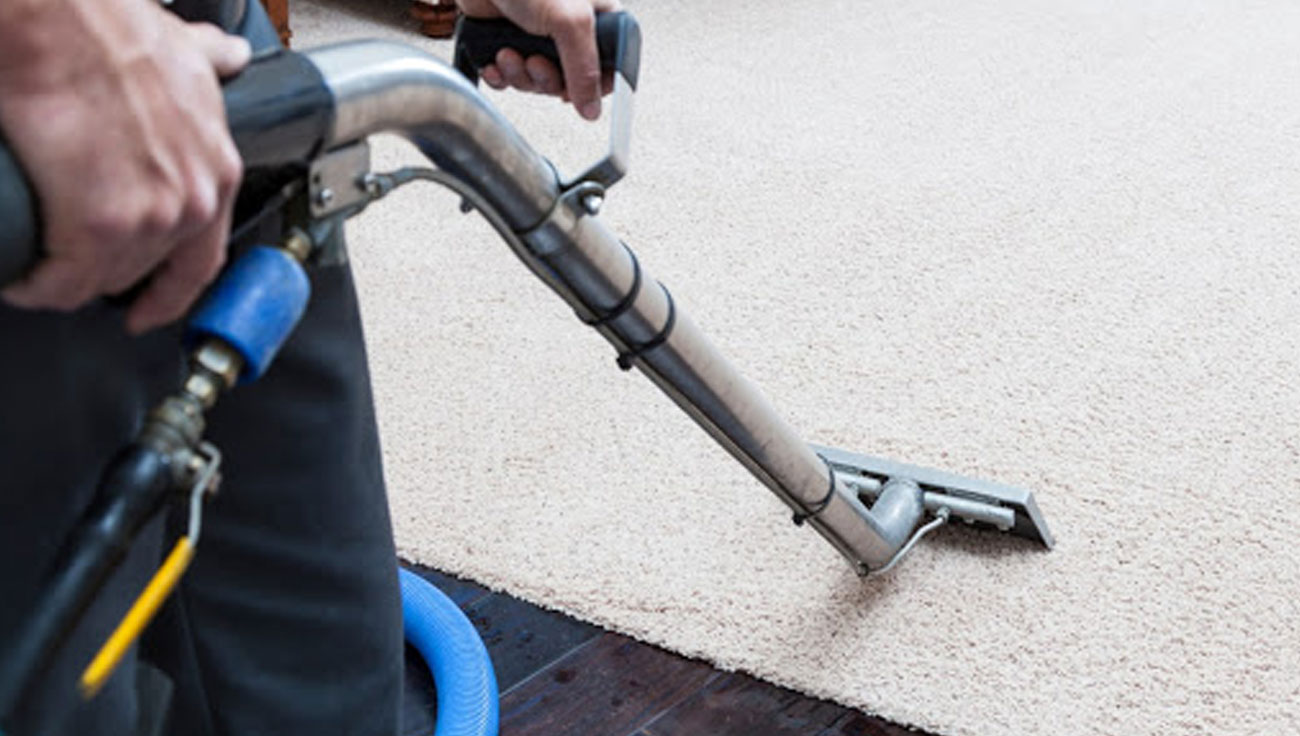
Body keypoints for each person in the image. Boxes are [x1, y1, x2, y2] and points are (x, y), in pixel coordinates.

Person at [0, 0, 615, 733]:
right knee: (68, 687)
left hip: (205, 49)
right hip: (34, 127)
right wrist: (40, 31)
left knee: (327, 653)